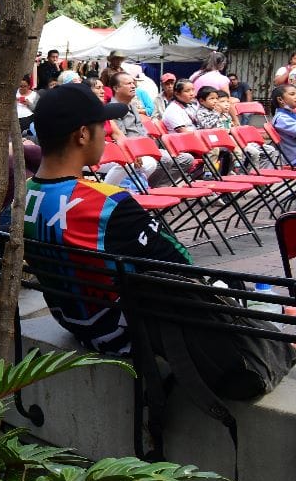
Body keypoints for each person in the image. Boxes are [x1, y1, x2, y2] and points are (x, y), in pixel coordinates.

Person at [24, 83, 190, 355]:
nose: (108, 134)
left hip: (74, 322)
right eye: (103, 126)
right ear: (83, 134)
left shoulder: (24, 195)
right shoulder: (107, 203)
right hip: (126, 333)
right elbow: (181, 264)